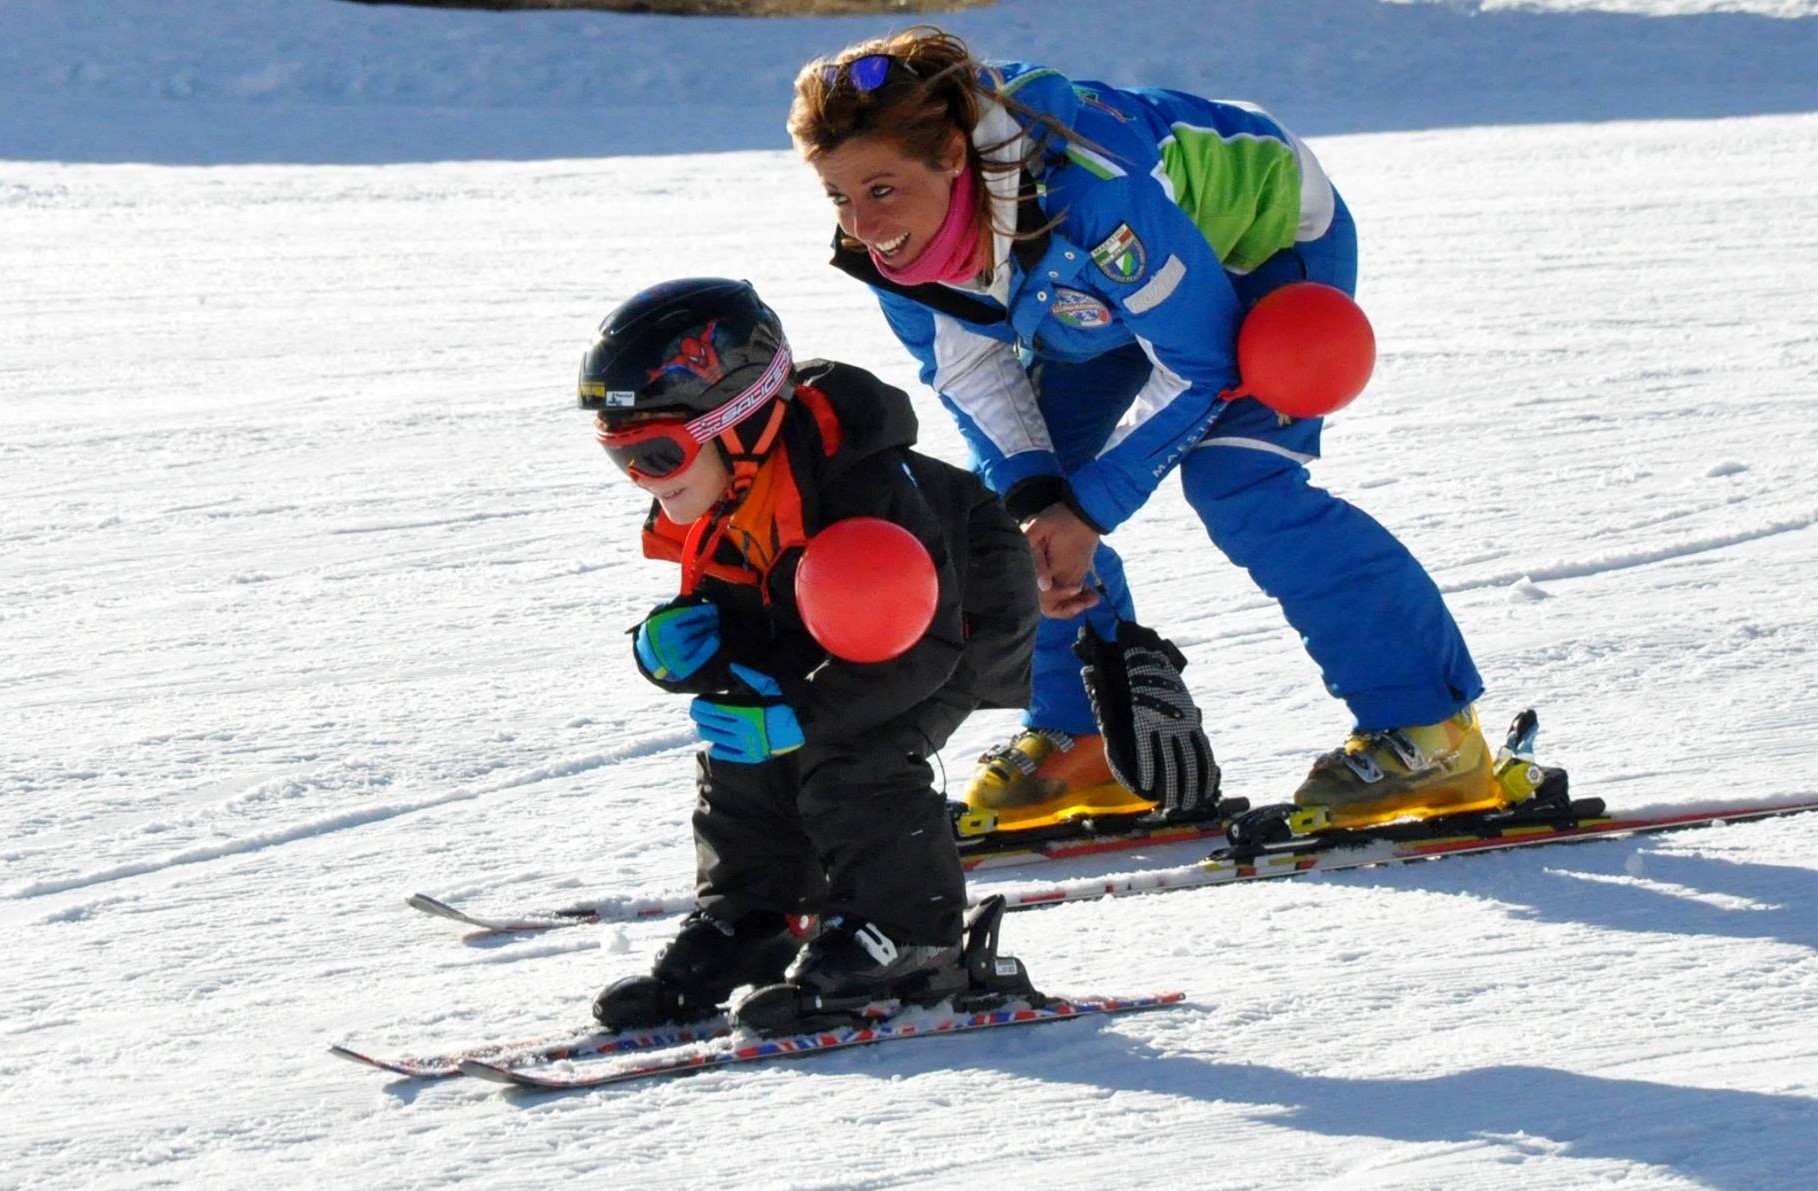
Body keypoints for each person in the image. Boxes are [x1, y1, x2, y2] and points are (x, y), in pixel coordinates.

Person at [788, 27, 1501, 832]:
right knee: (1027, 518)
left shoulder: (1091, 193)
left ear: (953, 156)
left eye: (881, 189)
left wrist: (1089, 511)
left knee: (1240, 482)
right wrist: (1043, 506)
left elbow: (1199, 363)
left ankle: (1430, 728)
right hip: (1098, 295)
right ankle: (1086, 738)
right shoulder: (892, 249)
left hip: (1259, 251)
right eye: (838, 196)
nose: (864, 223)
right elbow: (973, 373)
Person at [580, 277, 1038, 1031]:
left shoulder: (862, 486)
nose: (640, 479)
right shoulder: (728, 495)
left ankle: (913, 936)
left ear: (740, 425)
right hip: (836, 624)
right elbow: (750, 631)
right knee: (744, 732)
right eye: (619, 455)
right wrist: (673, 653)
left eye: (658, 454)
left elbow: (921, 647)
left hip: (958, 617)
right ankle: (756, 917)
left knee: (857, 749)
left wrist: (804, 713)